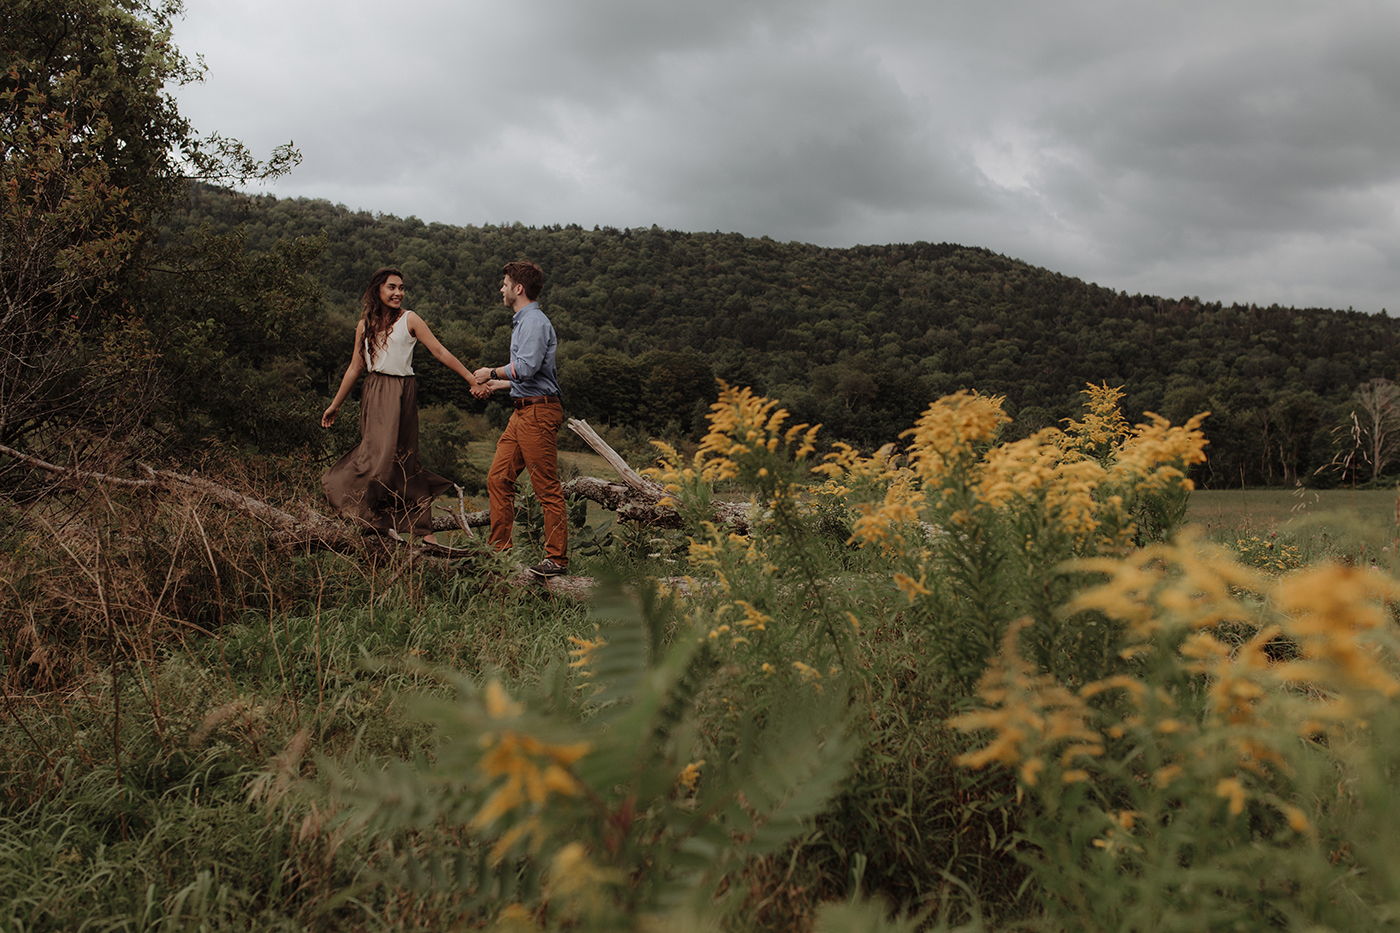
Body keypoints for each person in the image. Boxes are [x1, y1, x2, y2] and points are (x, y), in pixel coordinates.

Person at [321, 266, 482, 544]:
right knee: (375, 460)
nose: (398, 293)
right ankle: (372, 522)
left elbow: (439, 351)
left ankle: (423, 532)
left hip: (402, 391)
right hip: (374, 391)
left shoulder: (410, 319)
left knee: (403, 461)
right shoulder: (364, 325)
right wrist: (335, 405)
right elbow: (355, 367)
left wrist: (472, 379)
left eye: (401, 288)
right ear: (377, 290)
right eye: (392, 287)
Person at [473, 260, 568, 579]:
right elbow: (529, 375)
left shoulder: (535, 322)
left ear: (518, 288)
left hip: (539, 413)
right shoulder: (523, 321)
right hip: (523, 411)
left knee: (546, 488)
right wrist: (499, 384)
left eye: (504, 283)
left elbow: (526, 367)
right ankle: (498, 554)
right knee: (498, 479)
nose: (501, 288)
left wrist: (491, 372)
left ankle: (556, 560)